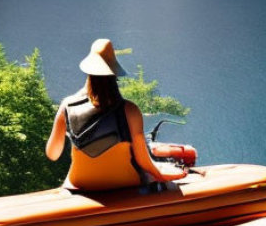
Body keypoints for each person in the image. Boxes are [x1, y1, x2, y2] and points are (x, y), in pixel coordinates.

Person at [45, 38, 188, 191]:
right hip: (126, 183)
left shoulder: (67, 106)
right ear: (114, 74)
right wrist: (162, 175)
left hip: (81, 185)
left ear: (88, 72)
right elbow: (142, 161)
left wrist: (70, 131)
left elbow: (52, 154)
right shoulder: (129, 110)